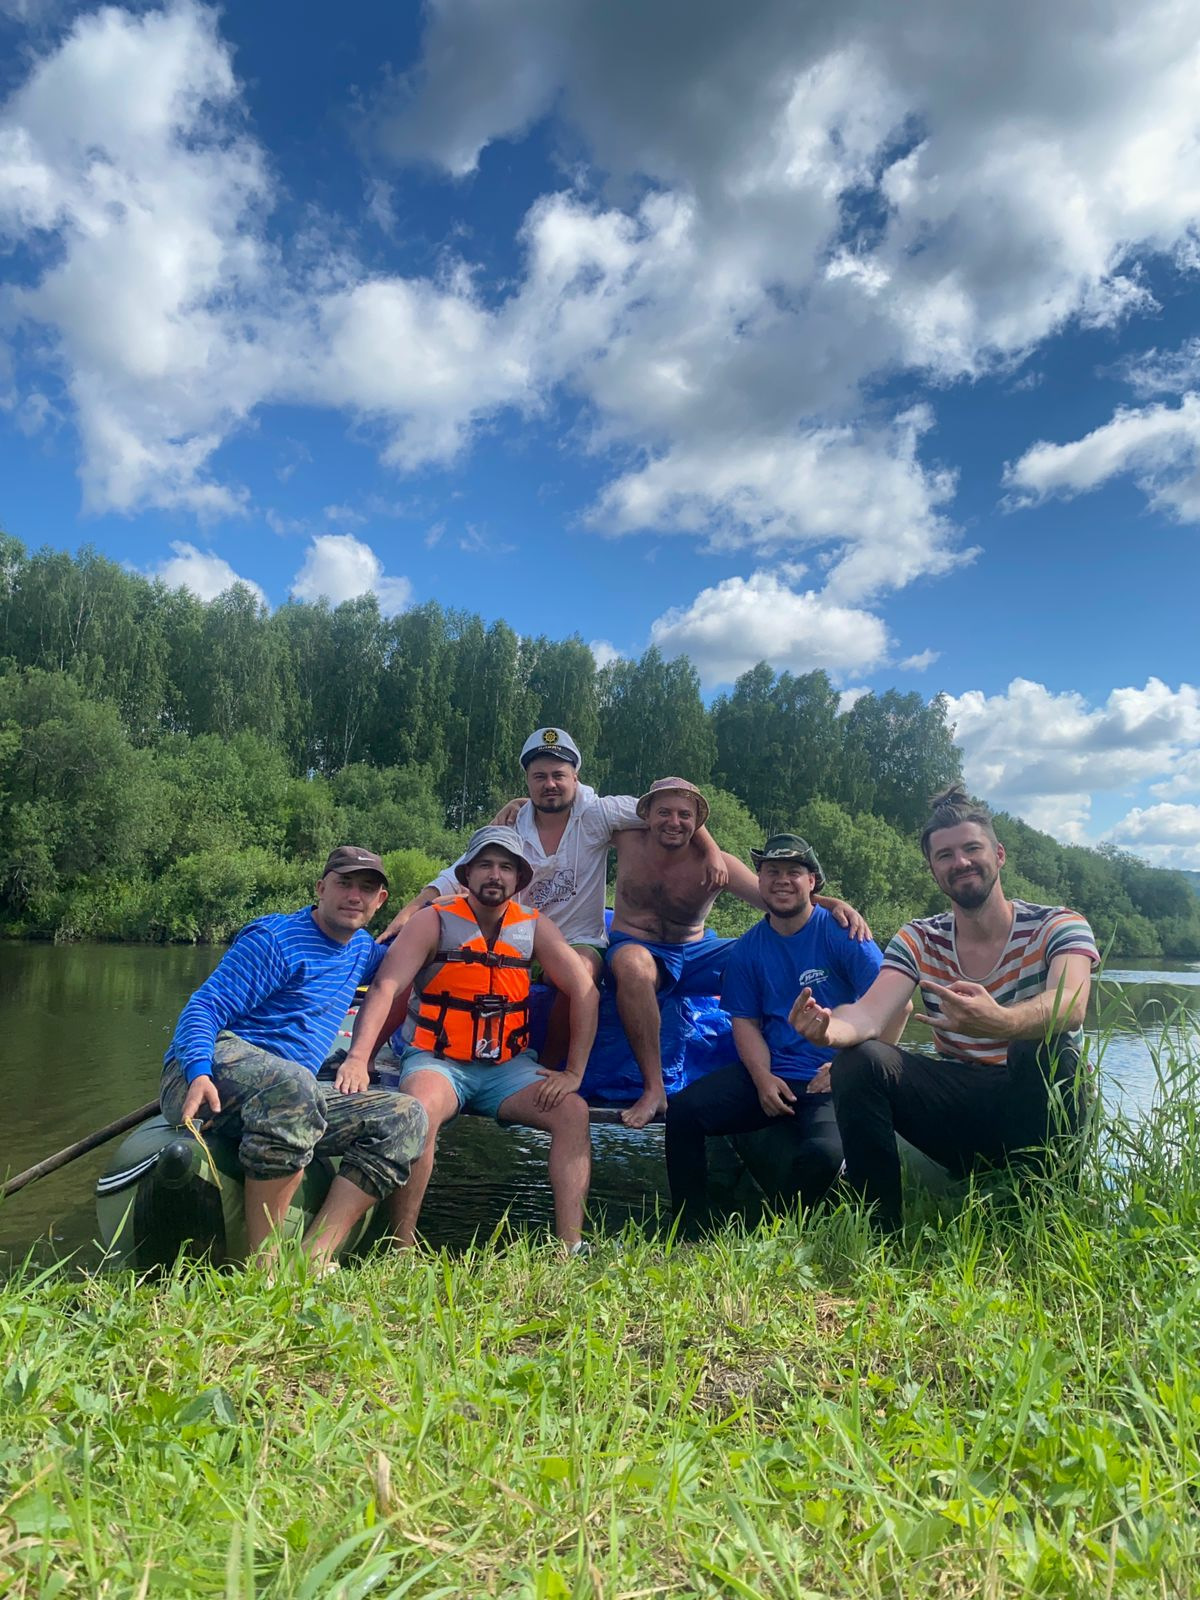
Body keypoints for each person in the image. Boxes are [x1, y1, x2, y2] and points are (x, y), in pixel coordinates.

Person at [789, 786, 1100, 1231]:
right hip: (960, 1105)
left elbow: (1070, 1007)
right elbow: (869, 1015)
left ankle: (1047, 1216)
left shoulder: (1058, 924)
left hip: (1035, 1103)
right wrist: (828, 1030)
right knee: (861, 1059)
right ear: (933, 869)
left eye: (972, 848)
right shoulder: (919, 937)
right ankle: (879, 1229)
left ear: (999, 854)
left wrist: (1001, 1021)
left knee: (1043, 1049)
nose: (961, 863)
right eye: (945, 855)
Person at [377, 727, 727, 1065]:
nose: (550, 784)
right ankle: (370, 1052)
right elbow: (462, 869)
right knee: (416, 948)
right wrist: (411, 909)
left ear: (575, 777)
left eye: (559, 775)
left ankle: (547, 1066)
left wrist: (709, 847)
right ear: (527, 782)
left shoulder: (598, 812)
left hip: (576, 939)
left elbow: (672, 807)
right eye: (539, 777)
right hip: (513, 936)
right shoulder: (512, 824)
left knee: (583, 970)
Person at [160, 847, 428, 1272]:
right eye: (344, 884)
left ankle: (313, 1260)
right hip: (212, 1070)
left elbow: (419, 944)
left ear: (380, 902)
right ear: (321, 888)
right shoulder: (276, 939)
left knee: (406, 1115)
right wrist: (197, 1072)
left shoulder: (362, 950)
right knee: (294, 1083)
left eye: (367, 889)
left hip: (289, 1088)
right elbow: (203, 1008)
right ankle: (263, 1269)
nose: (354, 896)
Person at [337, 825, 599, 1250]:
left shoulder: (534, 927)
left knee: (574, 1112)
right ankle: (400, 1248)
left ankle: (570, 1245)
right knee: (417, 1111)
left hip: (507, 1069)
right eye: (485, 865)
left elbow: (585, 991)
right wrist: (357, 1056)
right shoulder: (433, 920)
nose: (495, 875)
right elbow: (386, 987)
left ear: (518, 879)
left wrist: (573, 1072)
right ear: (467, 874)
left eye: (505, 867)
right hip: (438, 1060)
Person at [664, 833, 906, 1232]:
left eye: (794, 872)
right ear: (758, 882)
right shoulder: (747, 949)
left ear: (813, 882)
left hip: (833, 1077)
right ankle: (690, 1228)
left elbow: (899, 1004)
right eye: (771, 871)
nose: (782, 880)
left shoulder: (844, 934)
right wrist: (761, 1079)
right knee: (685, 1113)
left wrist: (853, 1067)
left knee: (824, 1156)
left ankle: (773, 1231)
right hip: (775, 1074)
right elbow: (745, 1023)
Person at [607, 780, 870, 1129]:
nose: (674, 822)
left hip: (696, 952)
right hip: (639, 949)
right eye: (664, 813)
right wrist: (522, 805)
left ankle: (792, 1062)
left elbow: (776, 897)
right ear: (646, 815)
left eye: (685, 815)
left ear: (698, 822)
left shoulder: (718, 864)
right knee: (633, 965)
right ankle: (654, 1089)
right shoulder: (623, 837)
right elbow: (571, 816)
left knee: (754, 954)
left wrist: (832, 903)